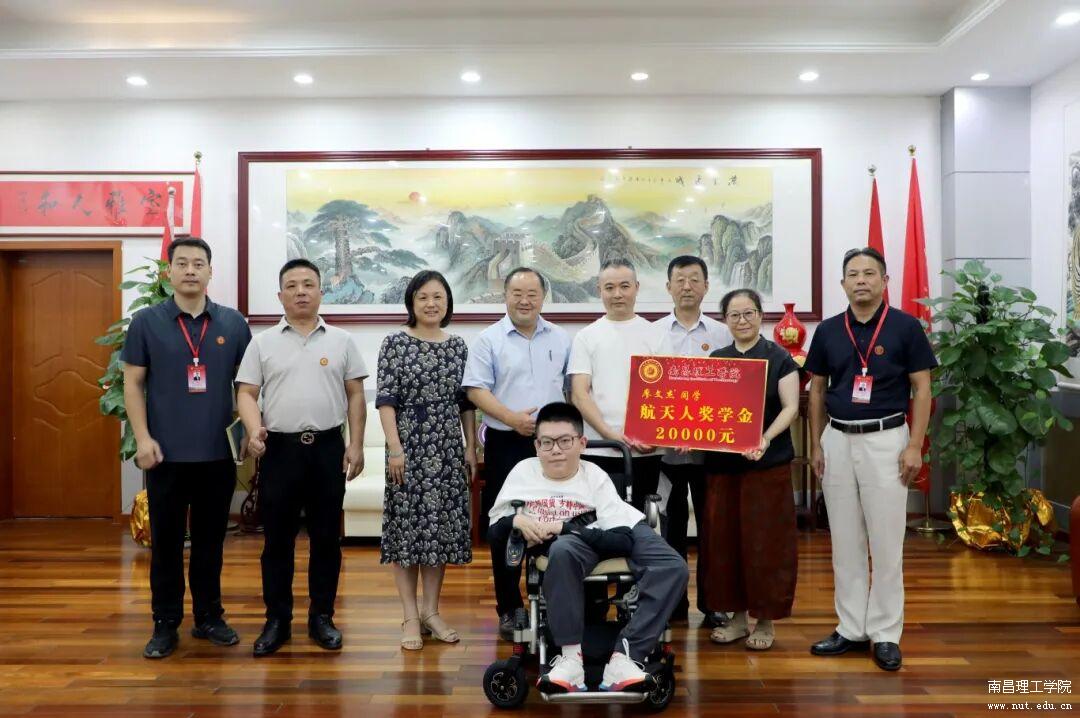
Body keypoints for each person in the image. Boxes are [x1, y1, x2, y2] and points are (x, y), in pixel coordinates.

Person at [488, 402, 689, 694]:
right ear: (536, 446)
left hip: (613, 528)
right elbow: (494, 532)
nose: (556, 450)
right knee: (562, 551)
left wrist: (564, 527)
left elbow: (621, 539)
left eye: (565, 441)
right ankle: (571, 660)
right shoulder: (523, 473)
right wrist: (515, 520)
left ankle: (626, 656)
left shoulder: (594, 475)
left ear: (581, 443)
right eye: (547, 443)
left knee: (673, 566)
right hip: (572, 542)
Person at [804, 247, 937, 672]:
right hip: (838, 440)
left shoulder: (906, 327)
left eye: (869, 273)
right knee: (844, 541)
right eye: (853, 274)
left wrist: (915, 445)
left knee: (886, 542)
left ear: (884, 280)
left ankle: (885, 632)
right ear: (842, 283)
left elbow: (922, 388)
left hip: (887, 440)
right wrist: (817, 445)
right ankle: (850, 627)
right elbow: (817, 390)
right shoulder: (828, 330)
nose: (861, 280)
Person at [122, 237, 252, 659]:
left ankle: (209, 617)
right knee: (166, 544)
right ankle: (165, 622)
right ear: (170, 272)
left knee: (211, 544)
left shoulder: (233, 324)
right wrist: (142, 438)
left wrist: (250, 432)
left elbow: (247, 387)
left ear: (211, 271)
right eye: (182, 263)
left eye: (199, 263)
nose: (191, 270)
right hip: (164, 455)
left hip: (217, 454)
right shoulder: (146, 322)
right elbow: (132, 383)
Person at [236, 258, 368, 657]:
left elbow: (355, 395)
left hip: (327, 449)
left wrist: (356, 444)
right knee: (277, 541)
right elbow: (246, 393)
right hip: (280, 451)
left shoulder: (342, 341)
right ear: (280, 295)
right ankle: (277, 620)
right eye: (292, 286)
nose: (300, 292)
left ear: (321, 292)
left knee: (326, 539)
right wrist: (253, 428)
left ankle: (322, 617)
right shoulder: (262, 343)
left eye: (308, 284)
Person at [462, 267, 571, 640]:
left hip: (554, 445)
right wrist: (512, 418)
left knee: (555, 516)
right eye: (517, 293)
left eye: (532, 294)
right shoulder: (488, 340)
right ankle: (510, 607)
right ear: (505, 296)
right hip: (507, 441)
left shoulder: (561, 338)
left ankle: (553, 600)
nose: (525, 301)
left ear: (543, 297)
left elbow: (571, 389)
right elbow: (475, 390)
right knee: (506, 523)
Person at [377, 270, 477, 651]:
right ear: (411, 302)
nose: (431, 303)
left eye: (438, 296)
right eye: (423, 297)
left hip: (447, 449)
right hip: (408, 449)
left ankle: (431, 612)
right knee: (407, 532)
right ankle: (409, 615)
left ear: (448, 302)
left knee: (439, 532)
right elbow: (386, 401)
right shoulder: (395, 343)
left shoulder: (458, 346)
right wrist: (395, 448)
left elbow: (466, 403)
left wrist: (470, 447)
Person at [703, 289, 800, 651]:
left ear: (761, 315)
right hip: (723, 468)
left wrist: (765, 438)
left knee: (766, 543)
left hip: (767, 466)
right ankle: (737, 618)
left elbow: (790, 407)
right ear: (725, 320)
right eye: (734, 315)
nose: (742, 321)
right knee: (725, 542)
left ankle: (765, 620)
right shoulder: (718, 360)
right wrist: (687, 436)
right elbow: (705, 411)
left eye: (749, 313)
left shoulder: (780, 358)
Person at [652, 255, 731, 625]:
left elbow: (732, 388)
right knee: (670, 529)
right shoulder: (651, 333)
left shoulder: (722, 334)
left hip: (710, 454)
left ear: (706, 286)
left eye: (694, 279)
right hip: (664, 453)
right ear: (668, 287)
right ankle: (674, 604)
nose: (687, 286)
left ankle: (714, 604)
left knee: (713, 529)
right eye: (680, 279)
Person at [569, 258, 662, 510]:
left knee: (643, 518)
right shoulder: (586, 336)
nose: (617, 294)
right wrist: (610, 434)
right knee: (602, 518)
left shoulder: (657, 334)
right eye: (609, 288)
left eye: (625, 286)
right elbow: (579, 394)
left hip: (647, 449)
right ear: (599, 290)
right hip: (601, 448)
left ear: (637, 287)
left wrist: (653, 436)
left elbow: (668, 392)